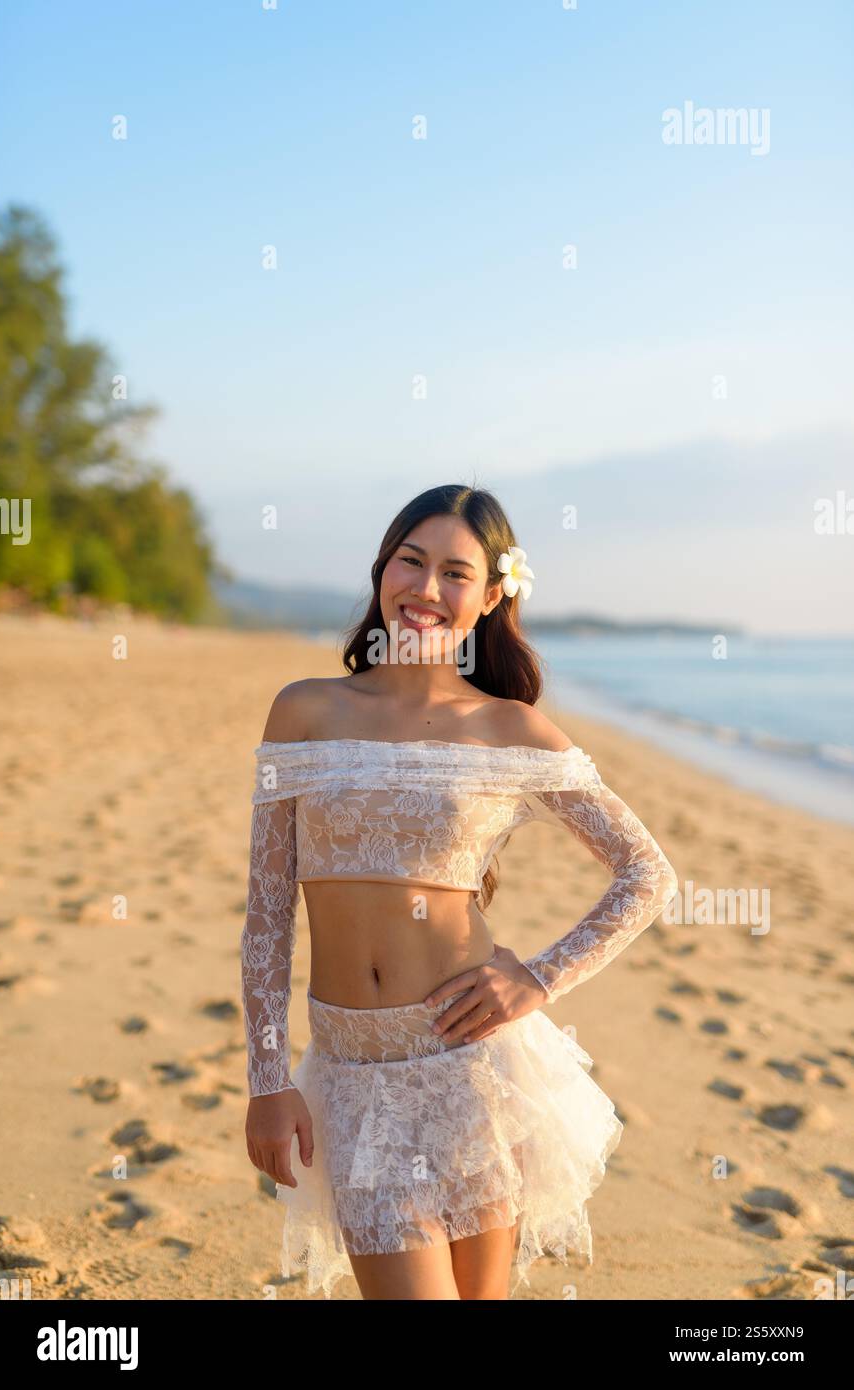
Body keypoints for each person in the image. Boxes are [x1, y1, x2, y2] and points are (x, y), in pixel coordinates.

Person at [241, 483, 678, 1301]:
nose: (425, 590)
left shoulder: (507, 728)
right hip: (349, 1071)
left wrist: (537, 977)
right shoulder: (303, 710)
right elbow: (267, 915)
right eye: (410, 562)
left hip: (474, 1064)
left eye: (454, 573)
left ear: (489, 596)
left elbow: (646, 872)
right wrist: (268, 1081)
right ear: (382, 569)